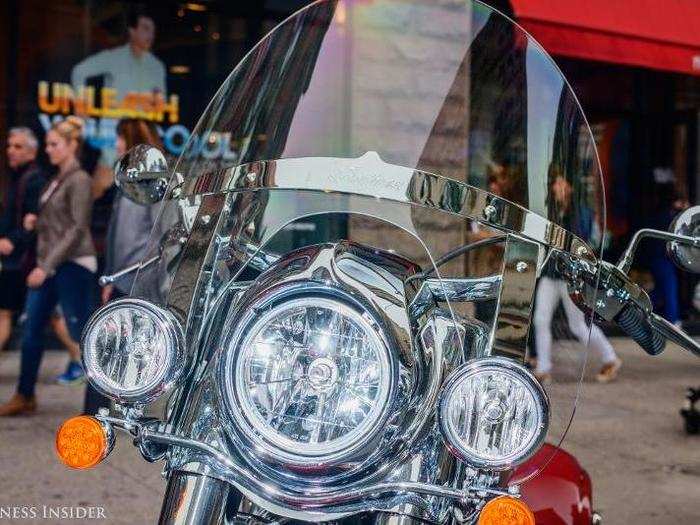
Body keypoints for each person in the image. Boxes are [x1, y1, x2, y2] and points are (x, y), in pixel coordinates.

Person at [0, 117, 96, 416]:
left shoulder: (79, 179)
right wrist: (35, 221)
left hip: (73, 265)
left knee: (81, 333)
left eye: (55, 144)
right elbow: (56, 223)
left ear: (72, 146)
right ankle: (25, 394)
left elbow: (77, 227)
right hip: (50, 265)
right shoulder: (55, 179)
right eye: (48, 144)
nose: (49, 149)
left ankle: (99, 404)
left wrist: (47, 265)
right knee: (31, 331)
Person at [84, 119, 162, 415]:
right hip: (122, 277)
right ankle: (98, 409)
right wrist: (111, 278)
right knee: (109, 344)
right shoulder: (127, 180)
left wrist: (145, 274)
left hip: (139, 278)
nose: (115, 145)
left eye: (118, 139)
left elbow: (159, 234)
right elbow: (118, 233)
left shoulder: (153, 180)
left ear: (130, 139)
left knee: (116, 345)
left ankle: (102, 411)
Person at [533, 174, 622, 384]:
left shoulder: (580, 212)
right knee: (540, 319)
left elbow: (580, 241)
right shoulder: (551, 210)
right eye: (555, 183)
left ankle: (610, 358)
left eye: (561, 182)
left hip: (571, 276)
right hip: (550, 273)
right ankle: (543, 368)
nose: (557, 187)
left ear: (571, 187)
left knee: (577, 325)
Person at [71, 8, 166, 200]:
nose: (150, 35)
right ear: (132, 31)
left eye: (153, 31)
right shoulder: (114, 58)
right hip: (114, 145)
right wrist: (82, 108)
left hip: (144, 146)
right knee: (96, 196)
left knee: (146, 201)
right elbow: (79, 71)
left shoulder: (157, 66)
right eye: (146, 29)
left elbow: (161, 104)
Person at [0, 128, 46, 352]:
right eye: (9, 146)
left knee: (5, 312)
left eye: (18, 147)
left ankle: (78, 359)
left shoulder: (34, 180)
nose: (11, 151)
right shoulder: (18, 176)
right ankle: (77, 358)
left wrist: (12, 240)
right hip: (18, 258)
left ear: (32, 152)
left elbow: (34, 221)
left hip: (23, 259)